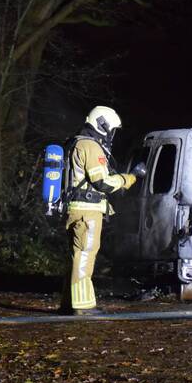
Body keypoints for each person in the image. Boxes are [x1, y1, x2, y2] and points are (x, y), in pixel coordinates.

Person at [62, 106, 145, 315]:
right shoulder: (91, 146)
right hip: (87, 212)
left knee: (76, 257)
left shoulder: (76, 142)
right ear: (103, 125)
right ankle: (82, 306)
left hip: (75, 209)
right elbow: (103, 183)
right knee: (85, 255)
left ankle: (68, 303)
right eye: (112, 129)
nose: (112, 135)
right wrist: (128, 179)